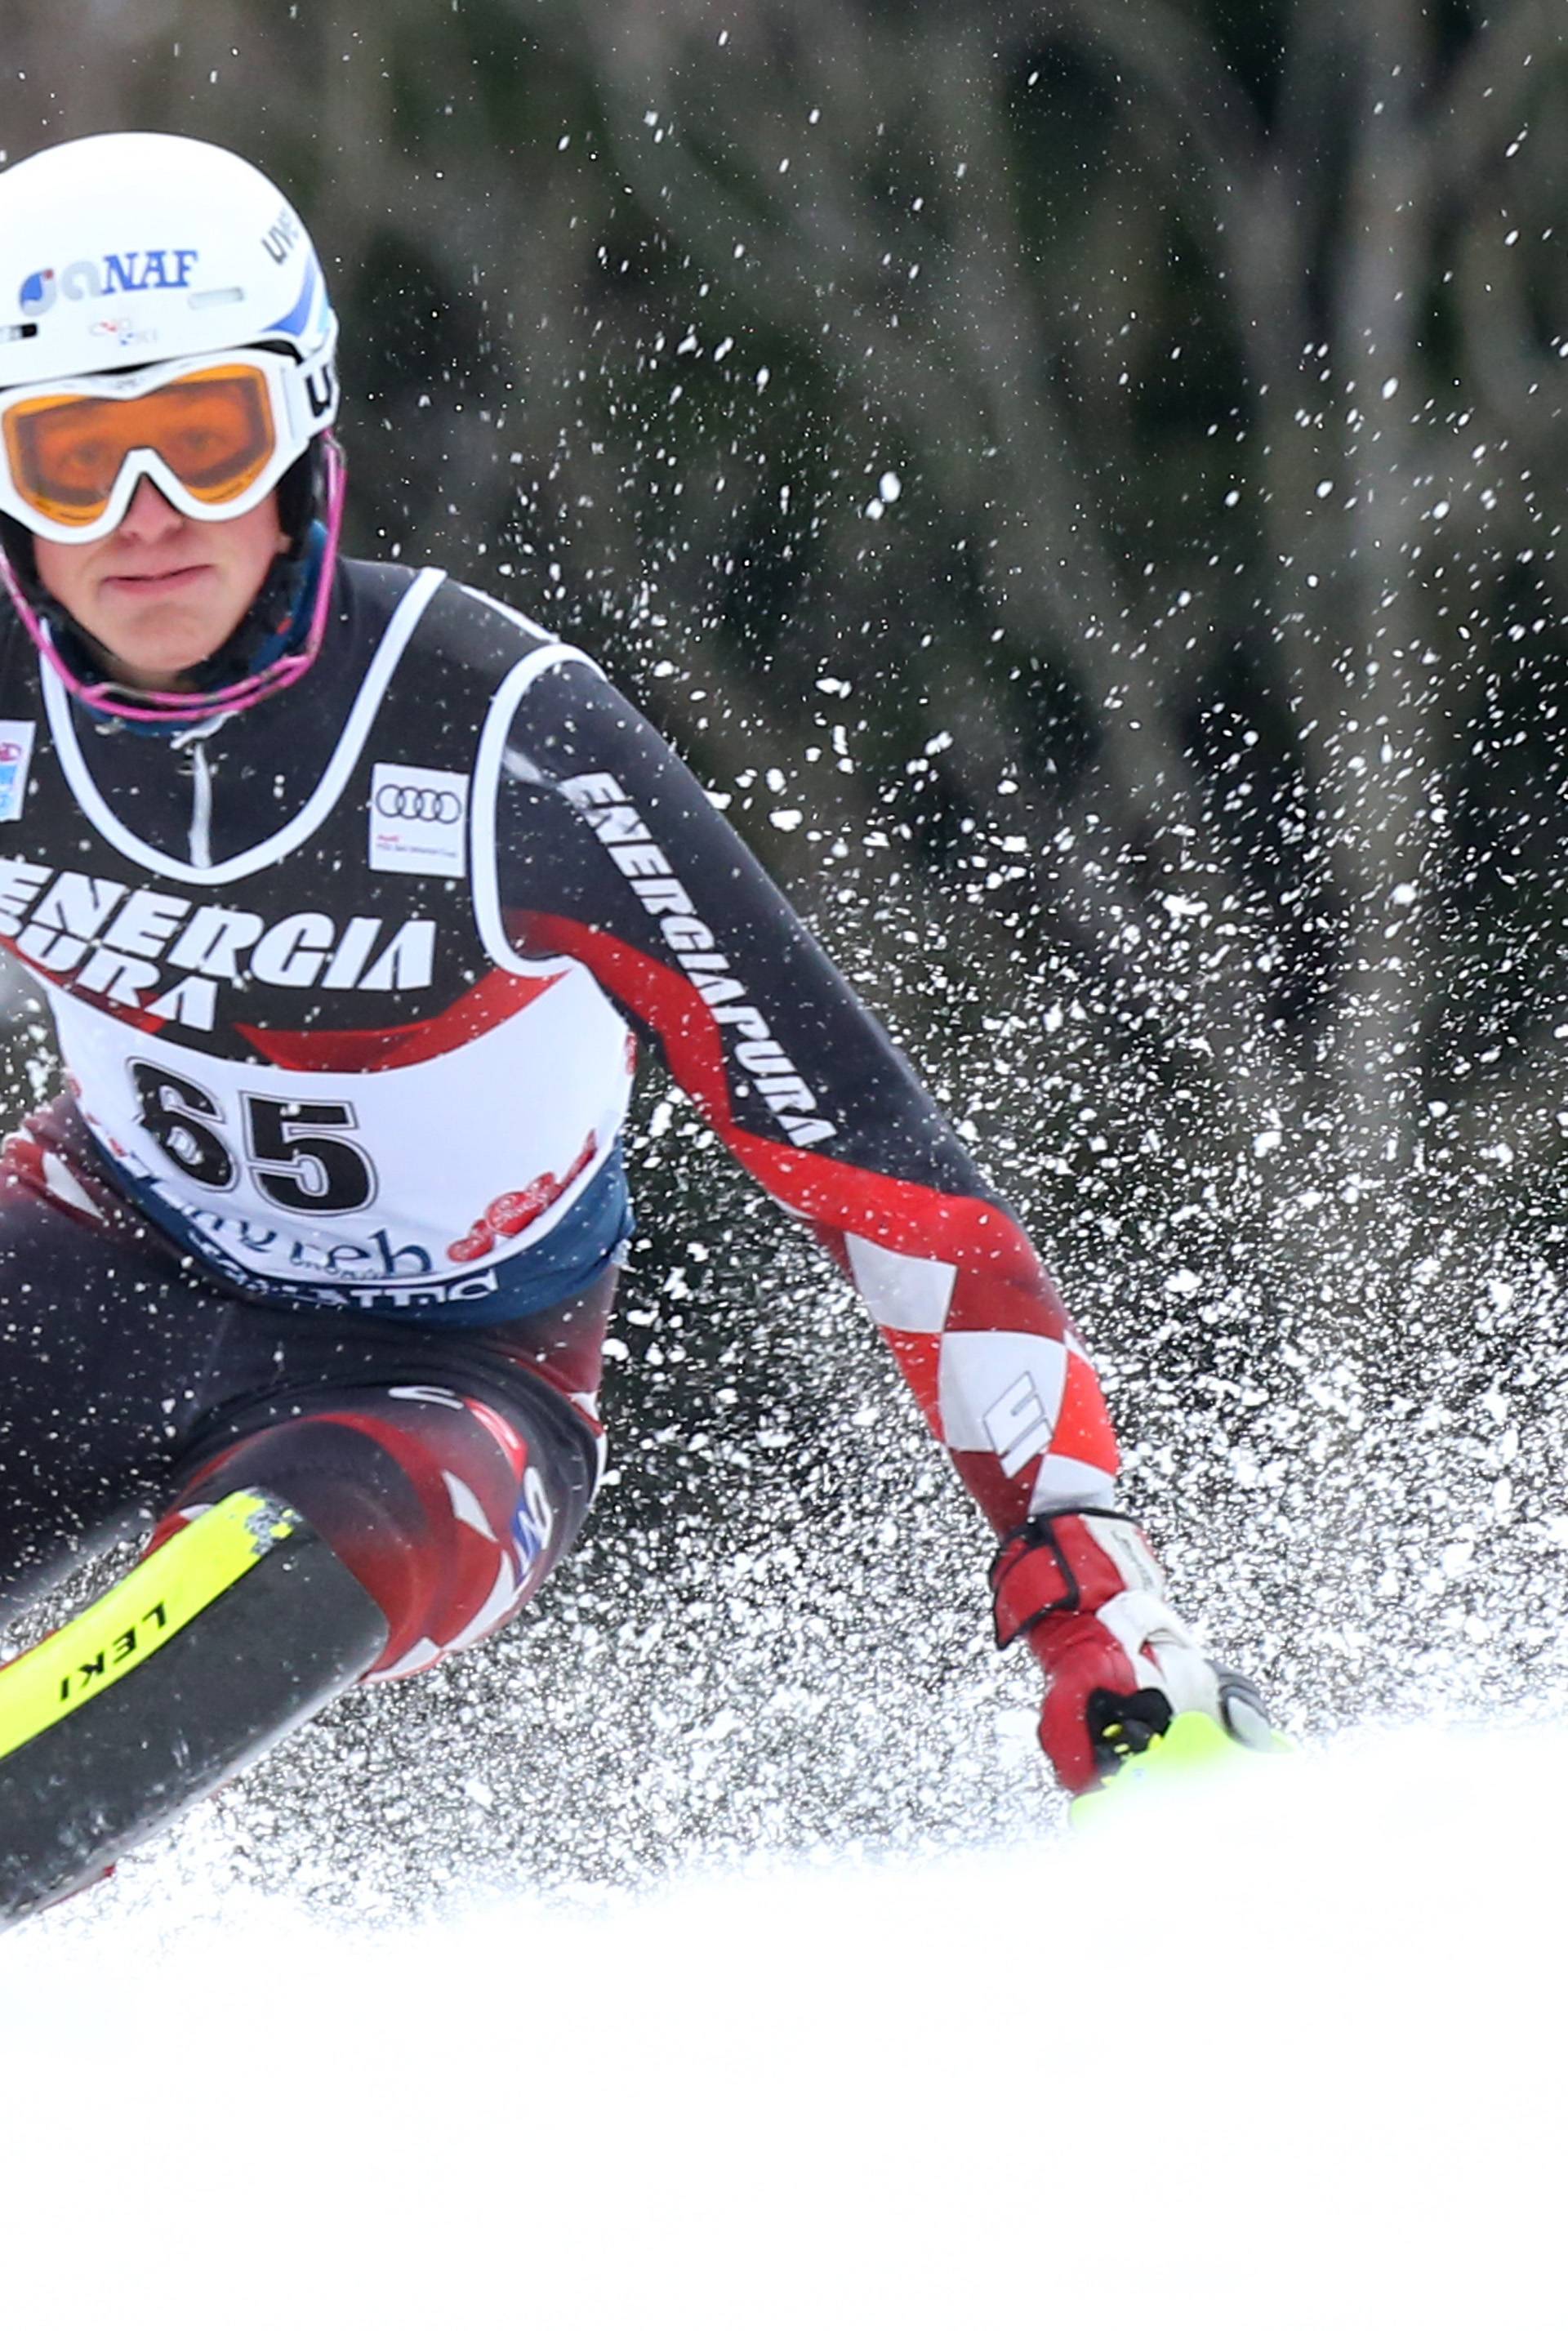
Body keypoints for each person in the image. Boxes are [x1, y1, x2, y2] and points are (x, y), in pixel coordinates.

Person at [0, 130, 1270, 1903]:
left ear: (300, 434)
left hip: (439, 1383)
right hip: (91, 1266)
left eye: (200, 436)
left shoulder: (503, 731)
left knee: (250, 1604)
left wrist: (1081, 1563)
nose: (141, 512)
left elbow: (866, 1159)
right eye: (70, 455)